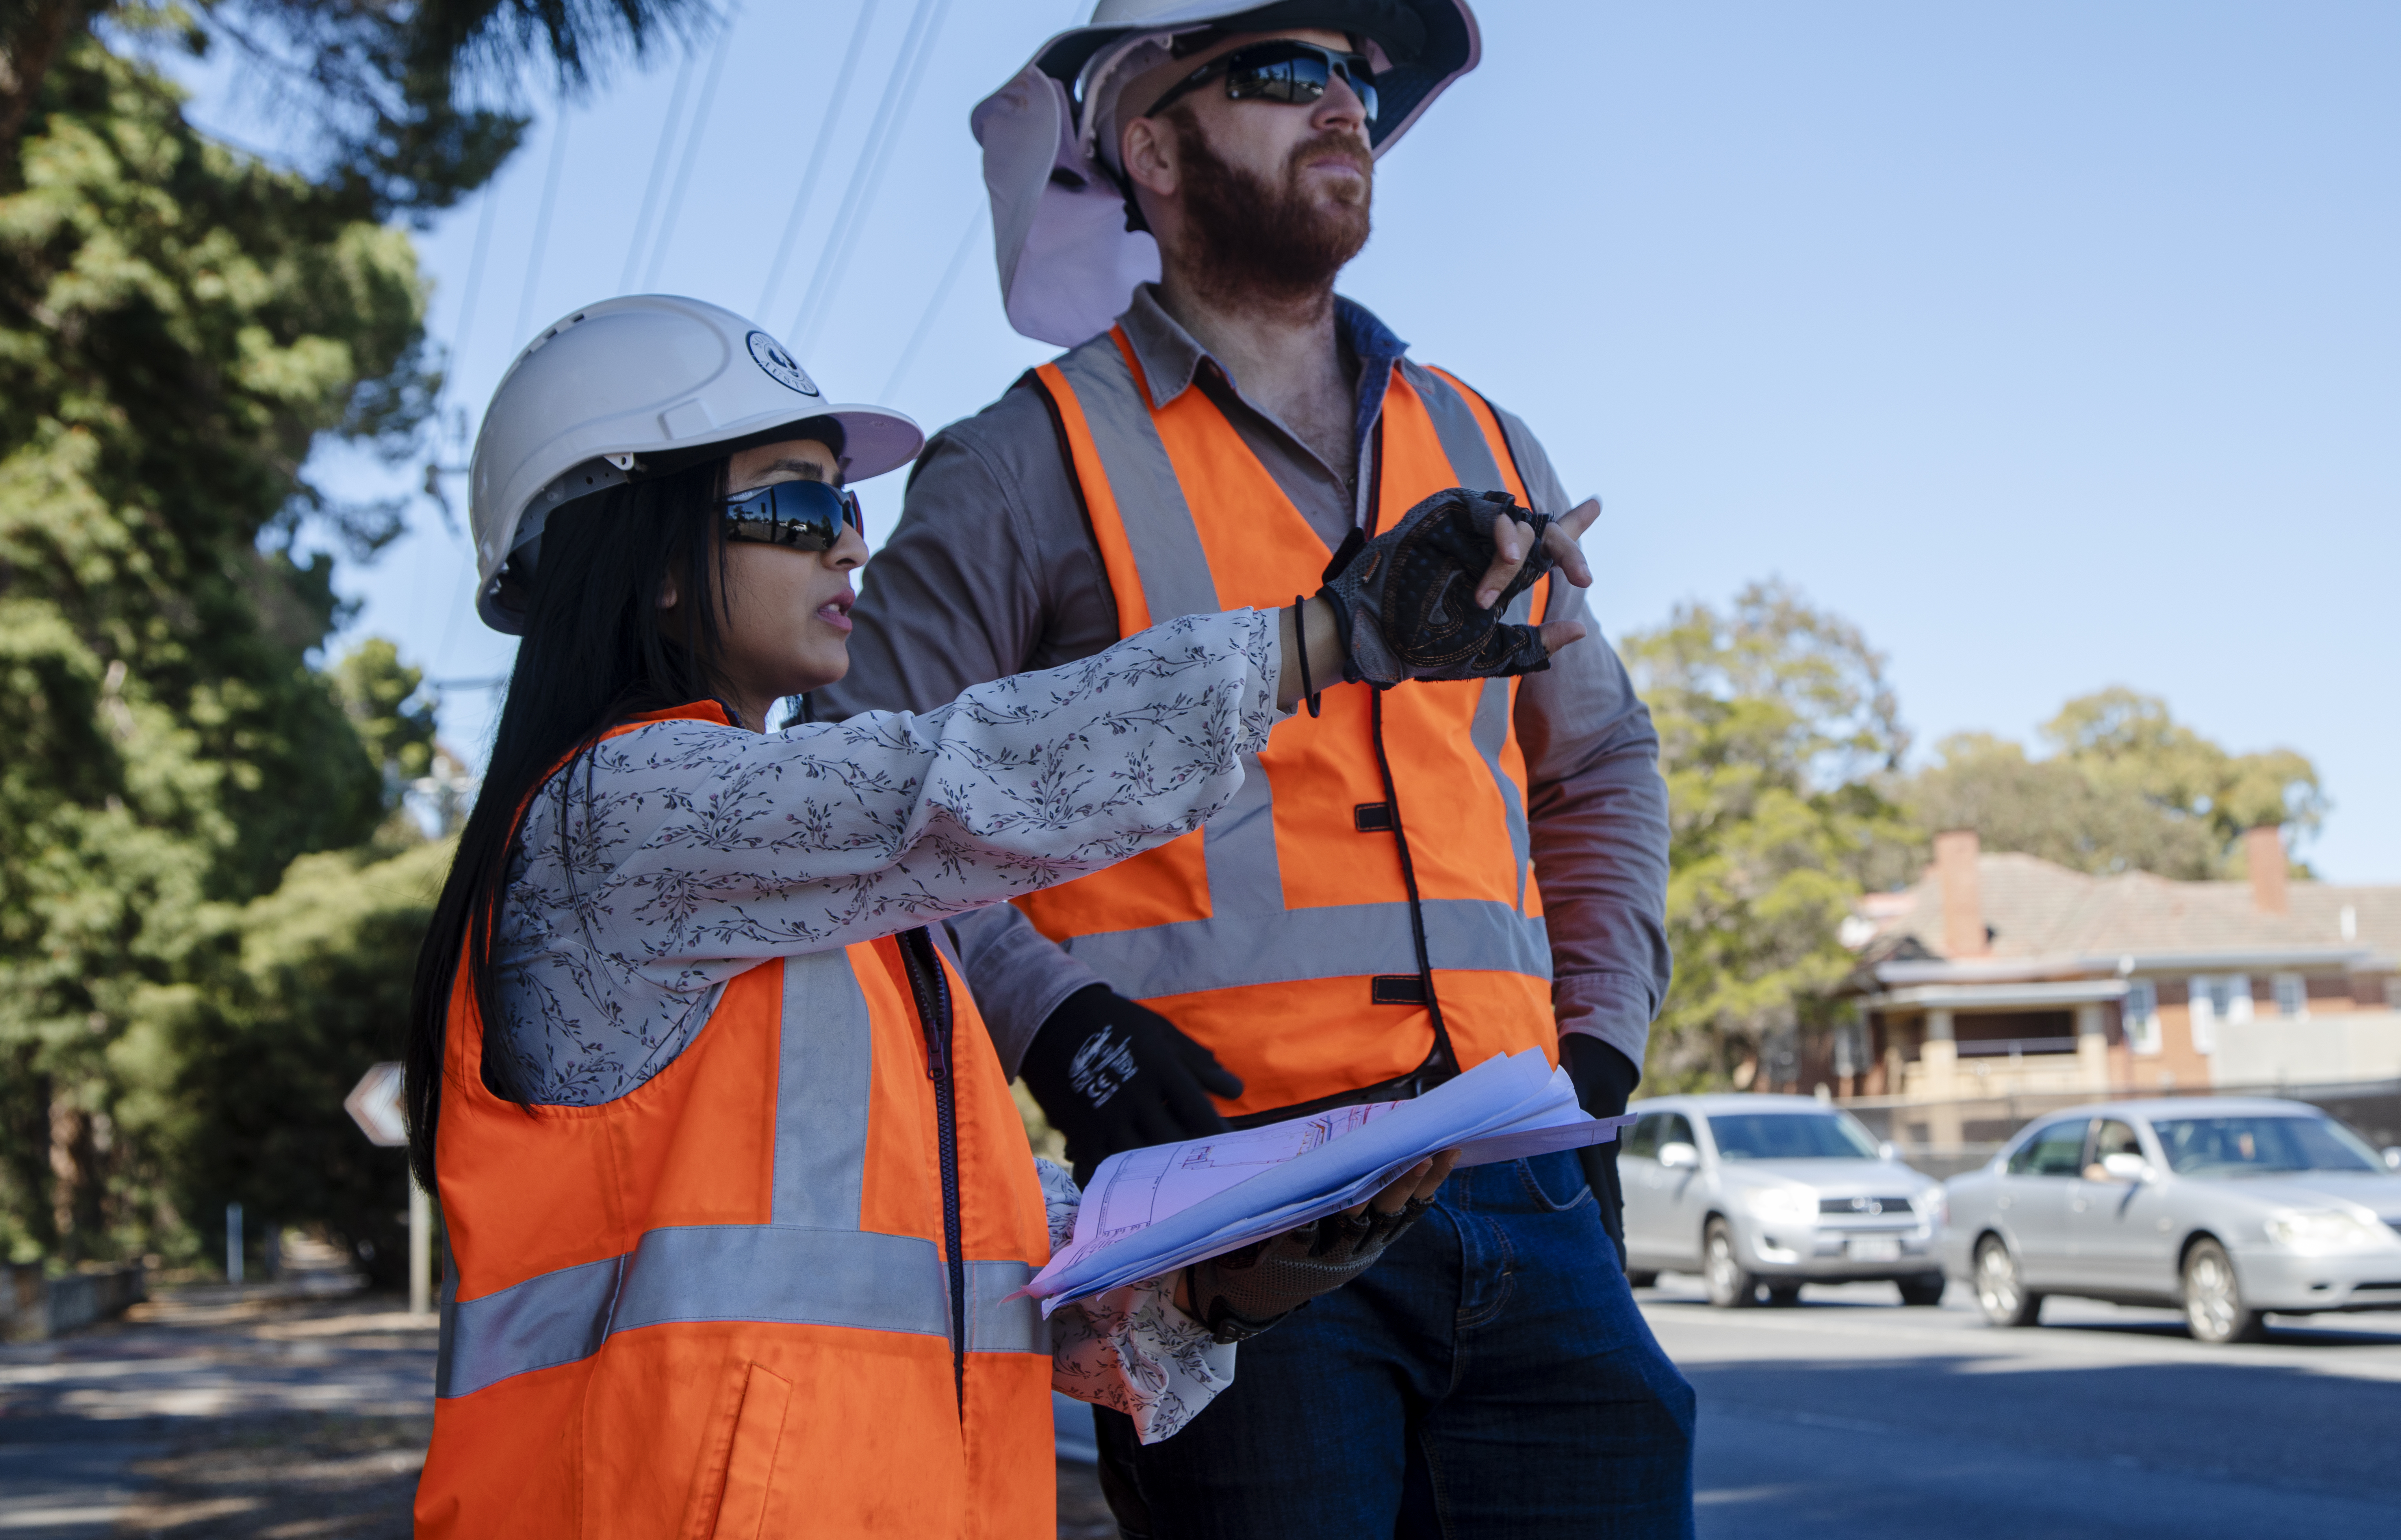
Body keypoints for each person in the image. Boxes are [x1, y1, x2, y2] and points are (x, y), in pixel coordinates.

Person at [401, 295, 1587, 1537]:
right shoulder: (623, 817)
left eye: (847, 511)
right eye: (802, 504)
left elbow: (935, 1252)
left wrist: (1211, 1279)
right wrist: (1334, 633)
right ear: (640, 553)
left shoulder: (821, 902)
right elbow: (959, 781)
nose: (850, 548)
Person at [813, 0, 1695, 1537]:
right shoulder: (1024, 462)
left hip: (1523, 1183)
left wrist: (1602, 1043)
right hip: (1228, 1223)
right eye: (1289, 74)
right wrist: (1057, 1024)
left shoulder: (1480, 436)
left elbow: (1599, 760)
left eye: (1361, 83)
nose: (1347, 109)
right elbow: (865, 799)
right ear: (1149, 146)